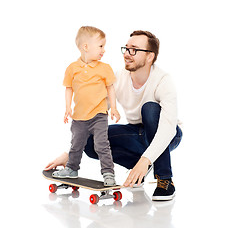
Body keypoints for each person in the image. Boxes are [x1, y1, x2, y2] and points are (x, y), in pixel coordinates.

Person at [45, 30, 182, 201]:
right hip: (135, 133)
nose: (126, 53)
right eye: (126, 48)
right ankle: (138, 166)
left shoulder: (163, 80)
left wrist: (145, 160)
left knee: (150, 109)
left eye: (134, 49)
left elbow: (168, 129)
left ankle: (165, 180)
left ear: (149, 57)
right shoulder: (118, 77)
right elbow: (94, 113)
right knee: (91, 141)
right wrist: (70, 154)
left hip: (168, 134)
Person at [51, 26, 120, 186]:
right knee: (76, 145)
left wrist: (114, 108)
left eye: (104, 46)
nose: (104, 50)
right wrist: (68, 107)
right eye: (101, 46)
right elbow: (69, 88)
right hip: (79, 117)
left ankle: (108, 173)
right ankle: (72, 169)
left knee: (101, 145)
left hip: (99, 115)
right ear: (86, 47)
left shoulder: (104, 68)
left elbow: (111, 88)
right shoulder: (72, 68)